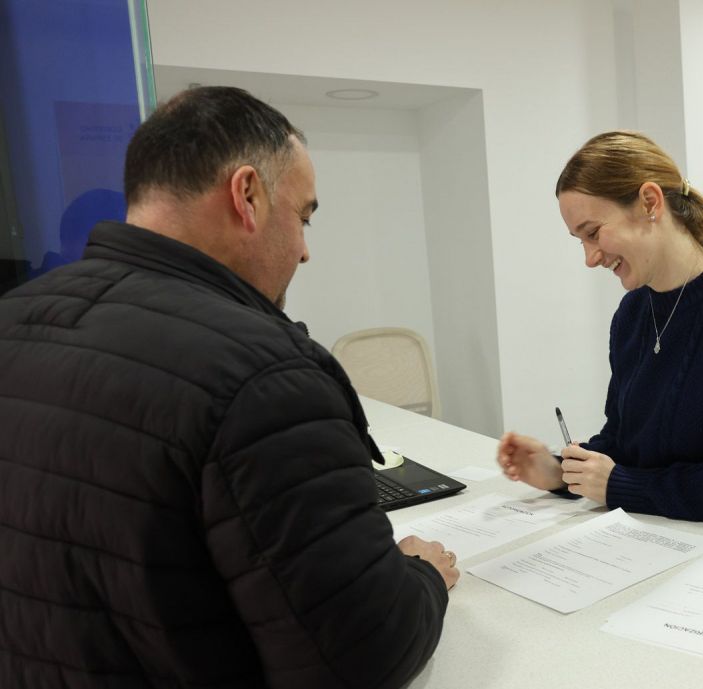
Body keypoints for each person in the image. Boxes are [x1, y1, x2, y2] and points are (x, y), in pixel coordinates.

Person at [0, 87, 457, 688]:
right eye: (303, 216)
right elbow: (360, 657)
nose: (305, 250)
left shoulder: (15, 316)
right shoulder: (266, 375)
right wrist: (421, 576)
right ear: (247, 195)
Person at [496, 131, 703, 534]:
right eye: (579, 240)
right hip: (659, 544)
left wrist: (623, 486)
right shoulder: (633, 313)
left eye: (593, 232)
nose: (589, 257)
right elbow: (626, 442)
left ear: (650, 202)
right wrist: (560, 472)